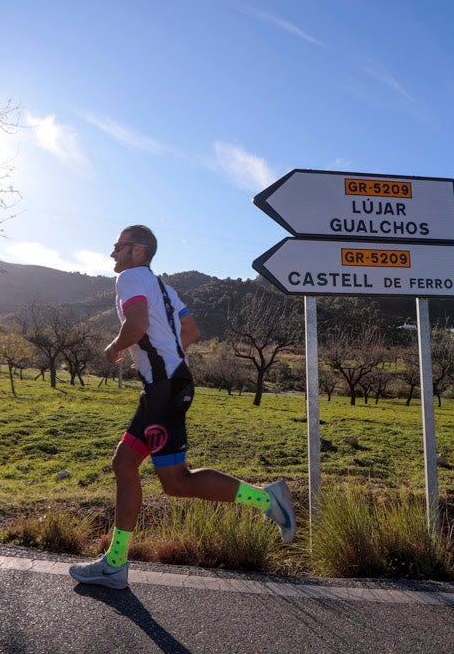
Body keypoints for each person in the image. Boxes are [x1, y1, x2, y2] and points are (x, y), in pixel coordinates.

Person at [69, 224, 295, 590]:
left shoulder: (129, 278)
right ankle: (114, 562)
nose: (113, 253)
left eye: (118, 246)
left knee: (176, 481)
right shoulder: (166, 288)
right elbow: (189, 330)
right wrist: (155, 357)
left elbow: (137, 323)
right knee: (124, 463)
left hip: (165, 389)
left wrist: (115, 349)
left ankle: (265, 498)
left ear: (138, 250)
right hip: (166, 384)